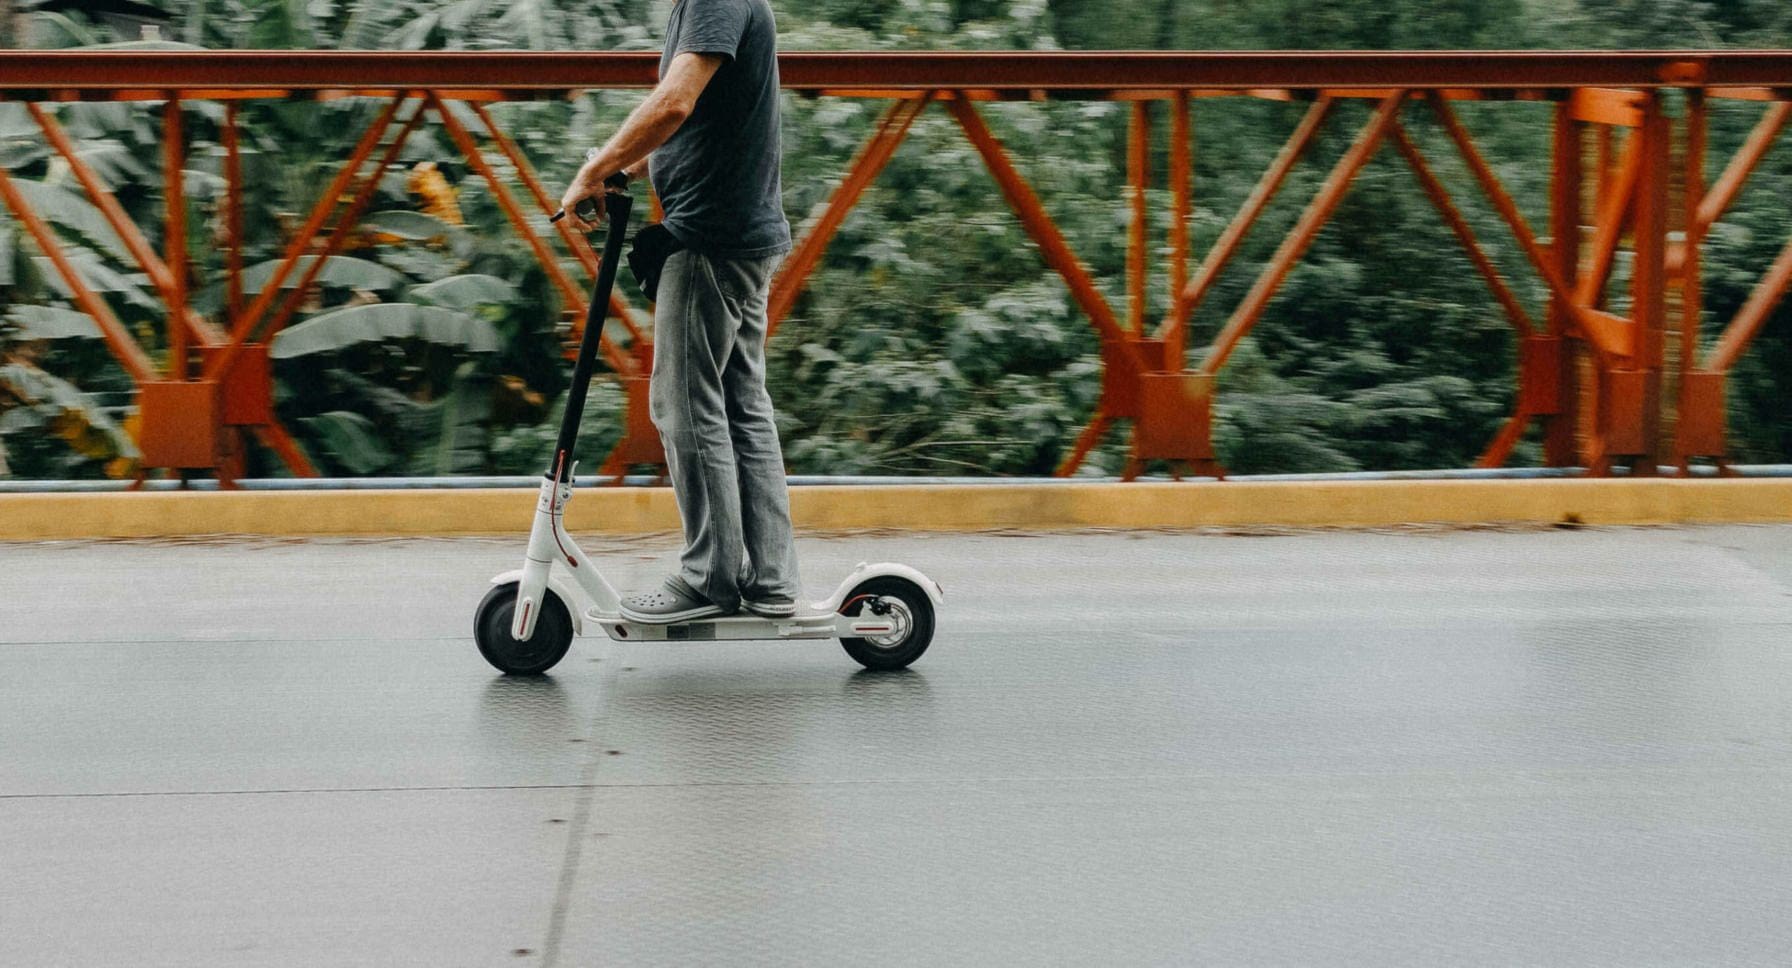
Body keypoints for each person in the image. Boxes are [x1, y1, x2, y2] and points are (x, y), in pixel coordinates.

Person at [559, 0, 798, 624]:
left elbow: (674, 102)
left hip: (710, 241)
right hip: (743, 235)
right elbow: (692, 119)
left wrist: (596, 166)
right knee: (742, 407)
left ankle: (709, 577)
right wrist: (628, 167)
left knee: (684, 405)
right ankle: (770, 579)